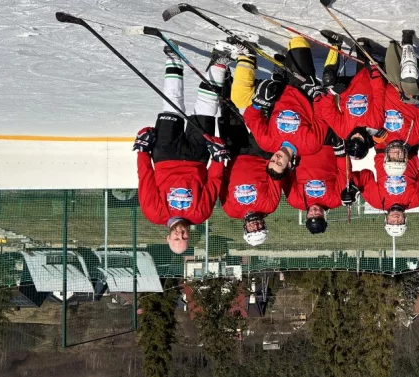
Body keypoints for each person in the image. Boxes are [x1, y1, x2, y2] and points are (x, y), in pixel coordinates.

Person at [135, 46, 230, 254]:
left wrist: (143, 151)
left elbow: (145, 178)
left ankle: (174, 61)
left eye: (176, 238)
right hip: (197, 157)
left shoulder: (154, 213)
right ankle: (219, 63)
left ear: (167, 237)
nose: (181, 234)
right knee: (207, 108)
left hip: (165, 155)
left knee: (172, 105)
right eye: (184, 237)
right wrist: (218, 159)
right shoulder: (199, 215)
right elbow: (213, 183)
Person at [239, 37, 328, 179]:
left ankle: (254, 60)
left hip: (278, 91)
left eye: (273, 161)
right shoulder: (311, 146)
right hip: (302, 88)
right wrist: (316, 95)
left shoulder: (267, 143)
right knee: (297, 42)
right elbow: (322, 117)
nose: (276, 158)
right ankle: (283, 65)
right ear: (289, 165)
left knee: (238, 97)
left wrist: (258, 103)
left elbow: (251, 118)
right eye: (279, 163)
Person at [217, 96, 283, 247]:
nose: (255, 226)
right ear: (264, 225)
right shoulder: (269, 206)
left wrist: (221, 160)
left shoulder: (231, 210)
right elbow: (275, 178)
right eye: (259, 228)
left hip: (235, 155)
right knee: (264, 116)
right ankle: (267, 92)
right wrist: (273, 155)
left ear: (245, 229)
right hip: (259, 153)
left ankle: (225, 81)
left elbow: (222, 182)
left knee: (229, 111)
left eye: (252, 230)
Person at [348, 136, 419, 237]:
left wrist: (352, 187)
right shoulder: (416, 200)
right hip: (408, 146)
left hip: (383, 146)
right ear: (405, 219)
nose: (395, 219)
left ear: (386, 220)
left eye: (392, 222)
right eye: (399, 222)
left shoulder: (376, 201)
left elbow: (365, 176)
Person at [284, 132, 348, 235]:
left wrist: (289, 160)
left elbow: (288, 175)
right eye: (318, 215)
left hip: (303, 145)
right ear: (324, 216)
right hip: (328, 145)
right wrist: (340, 153)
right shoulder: (335, 200)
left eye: (311, 216)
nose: (314, 212)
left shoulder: (296, 201)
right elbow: (344, 173)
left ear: (307, 217)